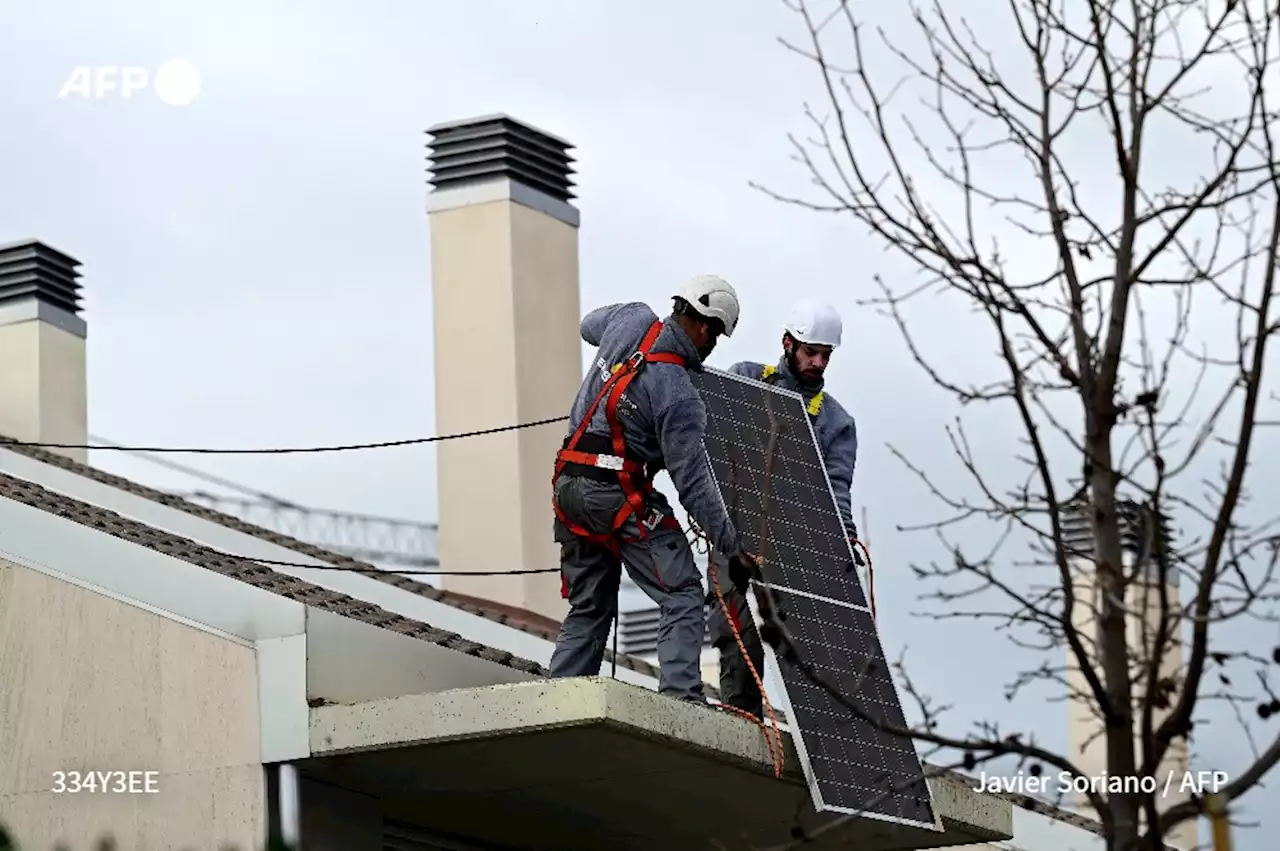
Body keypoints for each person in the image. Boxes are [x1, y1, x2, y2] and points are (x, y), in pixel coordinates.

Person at [549, 275, 760, 704]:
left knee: (591, 607)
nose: (712, 346)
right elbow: (693, 483)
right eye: (716, 334)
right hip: (616, 494)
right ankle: (681, 701)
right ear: (703, 326)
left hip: (568, 488)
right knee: (682, 593)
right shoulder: (679, 394)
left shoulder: (631, 318)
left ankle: (560, 701)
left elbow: (589, 325)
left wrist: (616, 354)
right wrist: (732, 545)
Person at [706, 297, 860, 719]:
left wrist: (843, 541)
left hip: (794, 549)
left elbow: (836, 491)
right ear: (788, 343)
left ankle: (825, 735)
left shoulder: (836, 422)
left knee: (811, 649)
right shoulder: (746, 380)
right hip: (735, 538)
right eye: (811, 352)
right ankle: (743, 719)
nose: (818, 362)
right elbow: (712, 441)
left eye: (825, 355)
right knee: (738, 635)